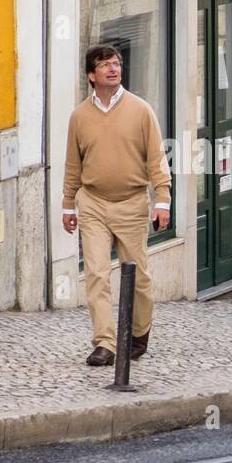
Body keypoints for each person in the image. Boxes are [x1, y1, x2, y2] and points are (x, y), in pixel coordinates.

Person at [62, 45, 172, 367]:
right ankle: (105, 343)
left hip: (132, 203)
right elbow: (73, 165)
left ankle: (139, 333)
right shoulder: (79, 117)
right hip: (93, 203)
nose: (113, 69)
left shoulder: (141, 111)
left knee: (138, 277)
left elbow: (156, 160)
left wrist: (162, 200)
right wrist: (68, 206)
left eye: (116, 63)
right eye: (105, 65)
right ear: (91, 76)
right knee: (96, 274)